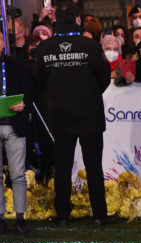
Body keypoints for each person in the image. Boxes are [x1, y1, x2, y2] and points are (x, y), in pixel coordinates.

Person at [35, 1, 111, 227]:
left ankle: (62, 216)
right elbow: (104, 77)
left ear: (56, 20)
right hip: (89, 114)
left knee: (62, 166)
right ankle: (99, 216)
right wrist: (89, 94)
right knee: (94, 166)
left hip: (60, 115)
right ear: (78, 20)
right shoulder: (91, 46)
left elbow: (40, 81)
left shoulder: (44, 48)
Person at [0, 30, 31, 235]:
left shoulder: (15, 65)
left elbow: (29, 92)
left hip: (15, 125)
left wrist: (23, 104)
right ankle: (0, 218)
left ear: (3, 42)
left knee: (18, 174)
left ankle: (20, 217)